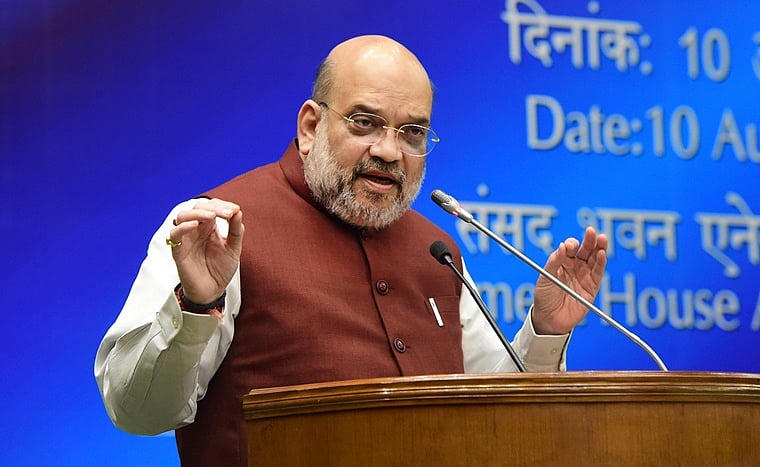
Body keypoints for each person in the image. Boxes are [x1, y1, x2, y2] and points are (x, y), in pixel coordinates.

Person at [95, 35, 608, 466]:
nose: (388, 151)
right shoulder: (216, 230)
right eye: (365, 123)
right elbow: (137, 412)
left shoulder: (436, 250)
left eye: (412, 133)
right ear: (311, 127)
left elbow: (493, 415)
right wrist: (195, 306)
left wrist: (546, 330)